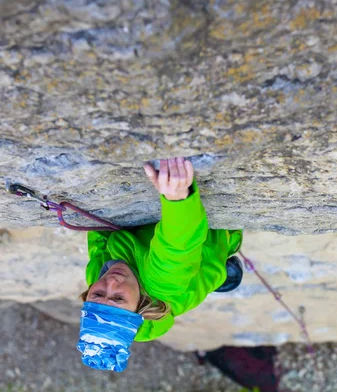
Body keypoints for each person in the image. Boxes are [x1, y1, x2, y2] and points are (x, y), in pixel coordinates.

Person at [76, 157, 244, 372]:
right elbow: (177, 246)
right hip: (207, 244)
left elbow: (99, 242)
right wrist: (178, 198)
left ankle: (218, 277)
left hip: (152, 255)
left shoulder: (96, 280)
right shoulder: (161, 282)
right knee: (209, 268)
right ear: (141, 306)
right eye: (119, 298)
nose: (111, 282)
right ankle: (221, 268)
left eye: (98, 295)